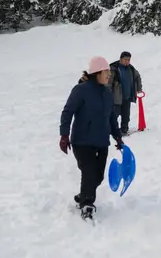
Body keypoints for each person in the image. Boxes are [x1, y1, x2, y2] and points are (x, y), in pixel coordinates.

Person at [60, 56, 124, 219]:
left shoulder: (107, 93)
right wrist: (64, 135)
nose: (109, 75)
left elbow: (111, 118)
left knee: (98, 176)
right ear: (97, 72)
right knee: (88, 171)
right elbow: (68, 112)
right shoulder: (80, 90)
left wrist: (117, 137)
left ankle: (83, 195)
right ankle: (87, 204)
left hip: (102, 141)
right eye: (106, 72)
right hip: (82, 141)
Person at [109, 52, 143, 136]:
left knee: (126, 115)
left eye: (129, 60)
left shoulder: (131, 68)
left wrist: (139, 88)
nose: (127, 61)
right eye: (125, 59)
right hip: (116, 97)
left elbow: (137, 77)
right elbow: (108, 82)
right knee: (114, 115)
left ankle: (124, 129)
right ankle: (111, 130)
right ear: (121, 59)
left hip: (127, 96)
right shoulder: (113, 69)